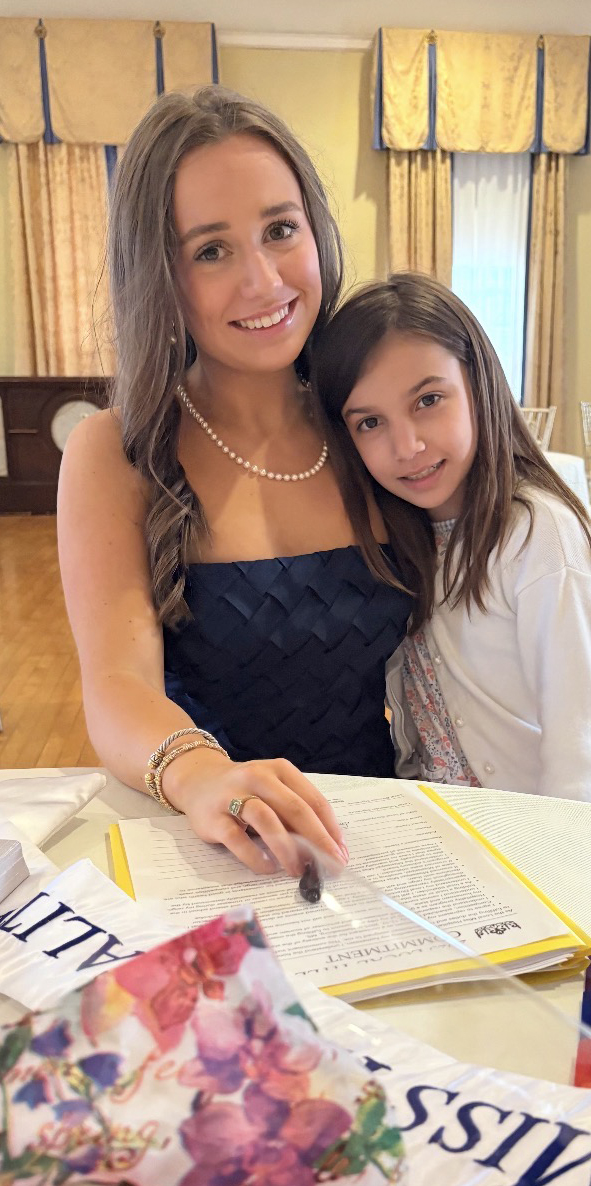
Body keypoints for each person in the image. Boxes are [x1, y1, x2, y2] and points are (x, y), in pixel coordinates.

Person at [58, 85, 419, 877]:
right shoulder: (116, 452)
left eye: (280, 230)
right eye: (211, 250)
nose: (263, 281)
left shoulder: (369, 421)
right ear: (160, 275)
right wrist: (204, 776)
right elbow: (116, 685)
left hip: (380, 835)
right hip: (209, 844)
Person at [313, 273, 591, 806]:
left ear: (479, 381)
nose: (408, 445)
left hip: (534, 849)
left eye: (429, 399)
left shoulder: (539, 537)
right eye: (370, 422)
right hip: (447, 838)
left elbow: (586, 761)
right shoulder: (394, 534)